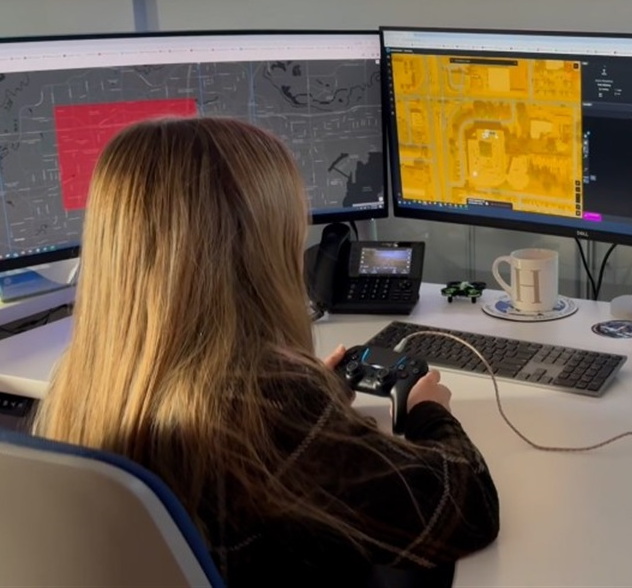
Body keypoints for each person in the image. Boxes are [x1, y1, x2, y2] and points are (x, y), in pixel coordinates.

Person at [32, 117, 500, 586]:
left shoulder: (82, 385)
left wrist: (322, 405)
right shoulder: (270, 409)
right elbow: (467, 507)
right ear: (259, 251)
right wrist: (427, 414)